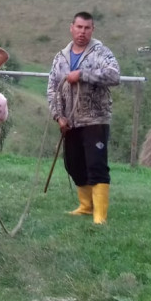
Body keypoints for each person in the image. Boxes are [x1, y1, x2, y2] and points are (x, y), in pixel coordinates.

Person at [47, 12, 120, 224]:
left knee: (96, 164)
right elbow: (52, 89)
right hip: (70, 121)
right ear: (71, 28)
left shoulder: (101, 53)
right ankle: (86, 206)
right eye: (79, 27)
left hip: (95, 119)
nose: (82, 32)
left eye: (87, 28)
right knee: (73, 164)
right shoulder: (60, 57)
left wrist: (82, 75)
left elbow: (114, 75)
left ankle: (100, 215)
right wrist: (58, 116)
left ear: (92, 30)